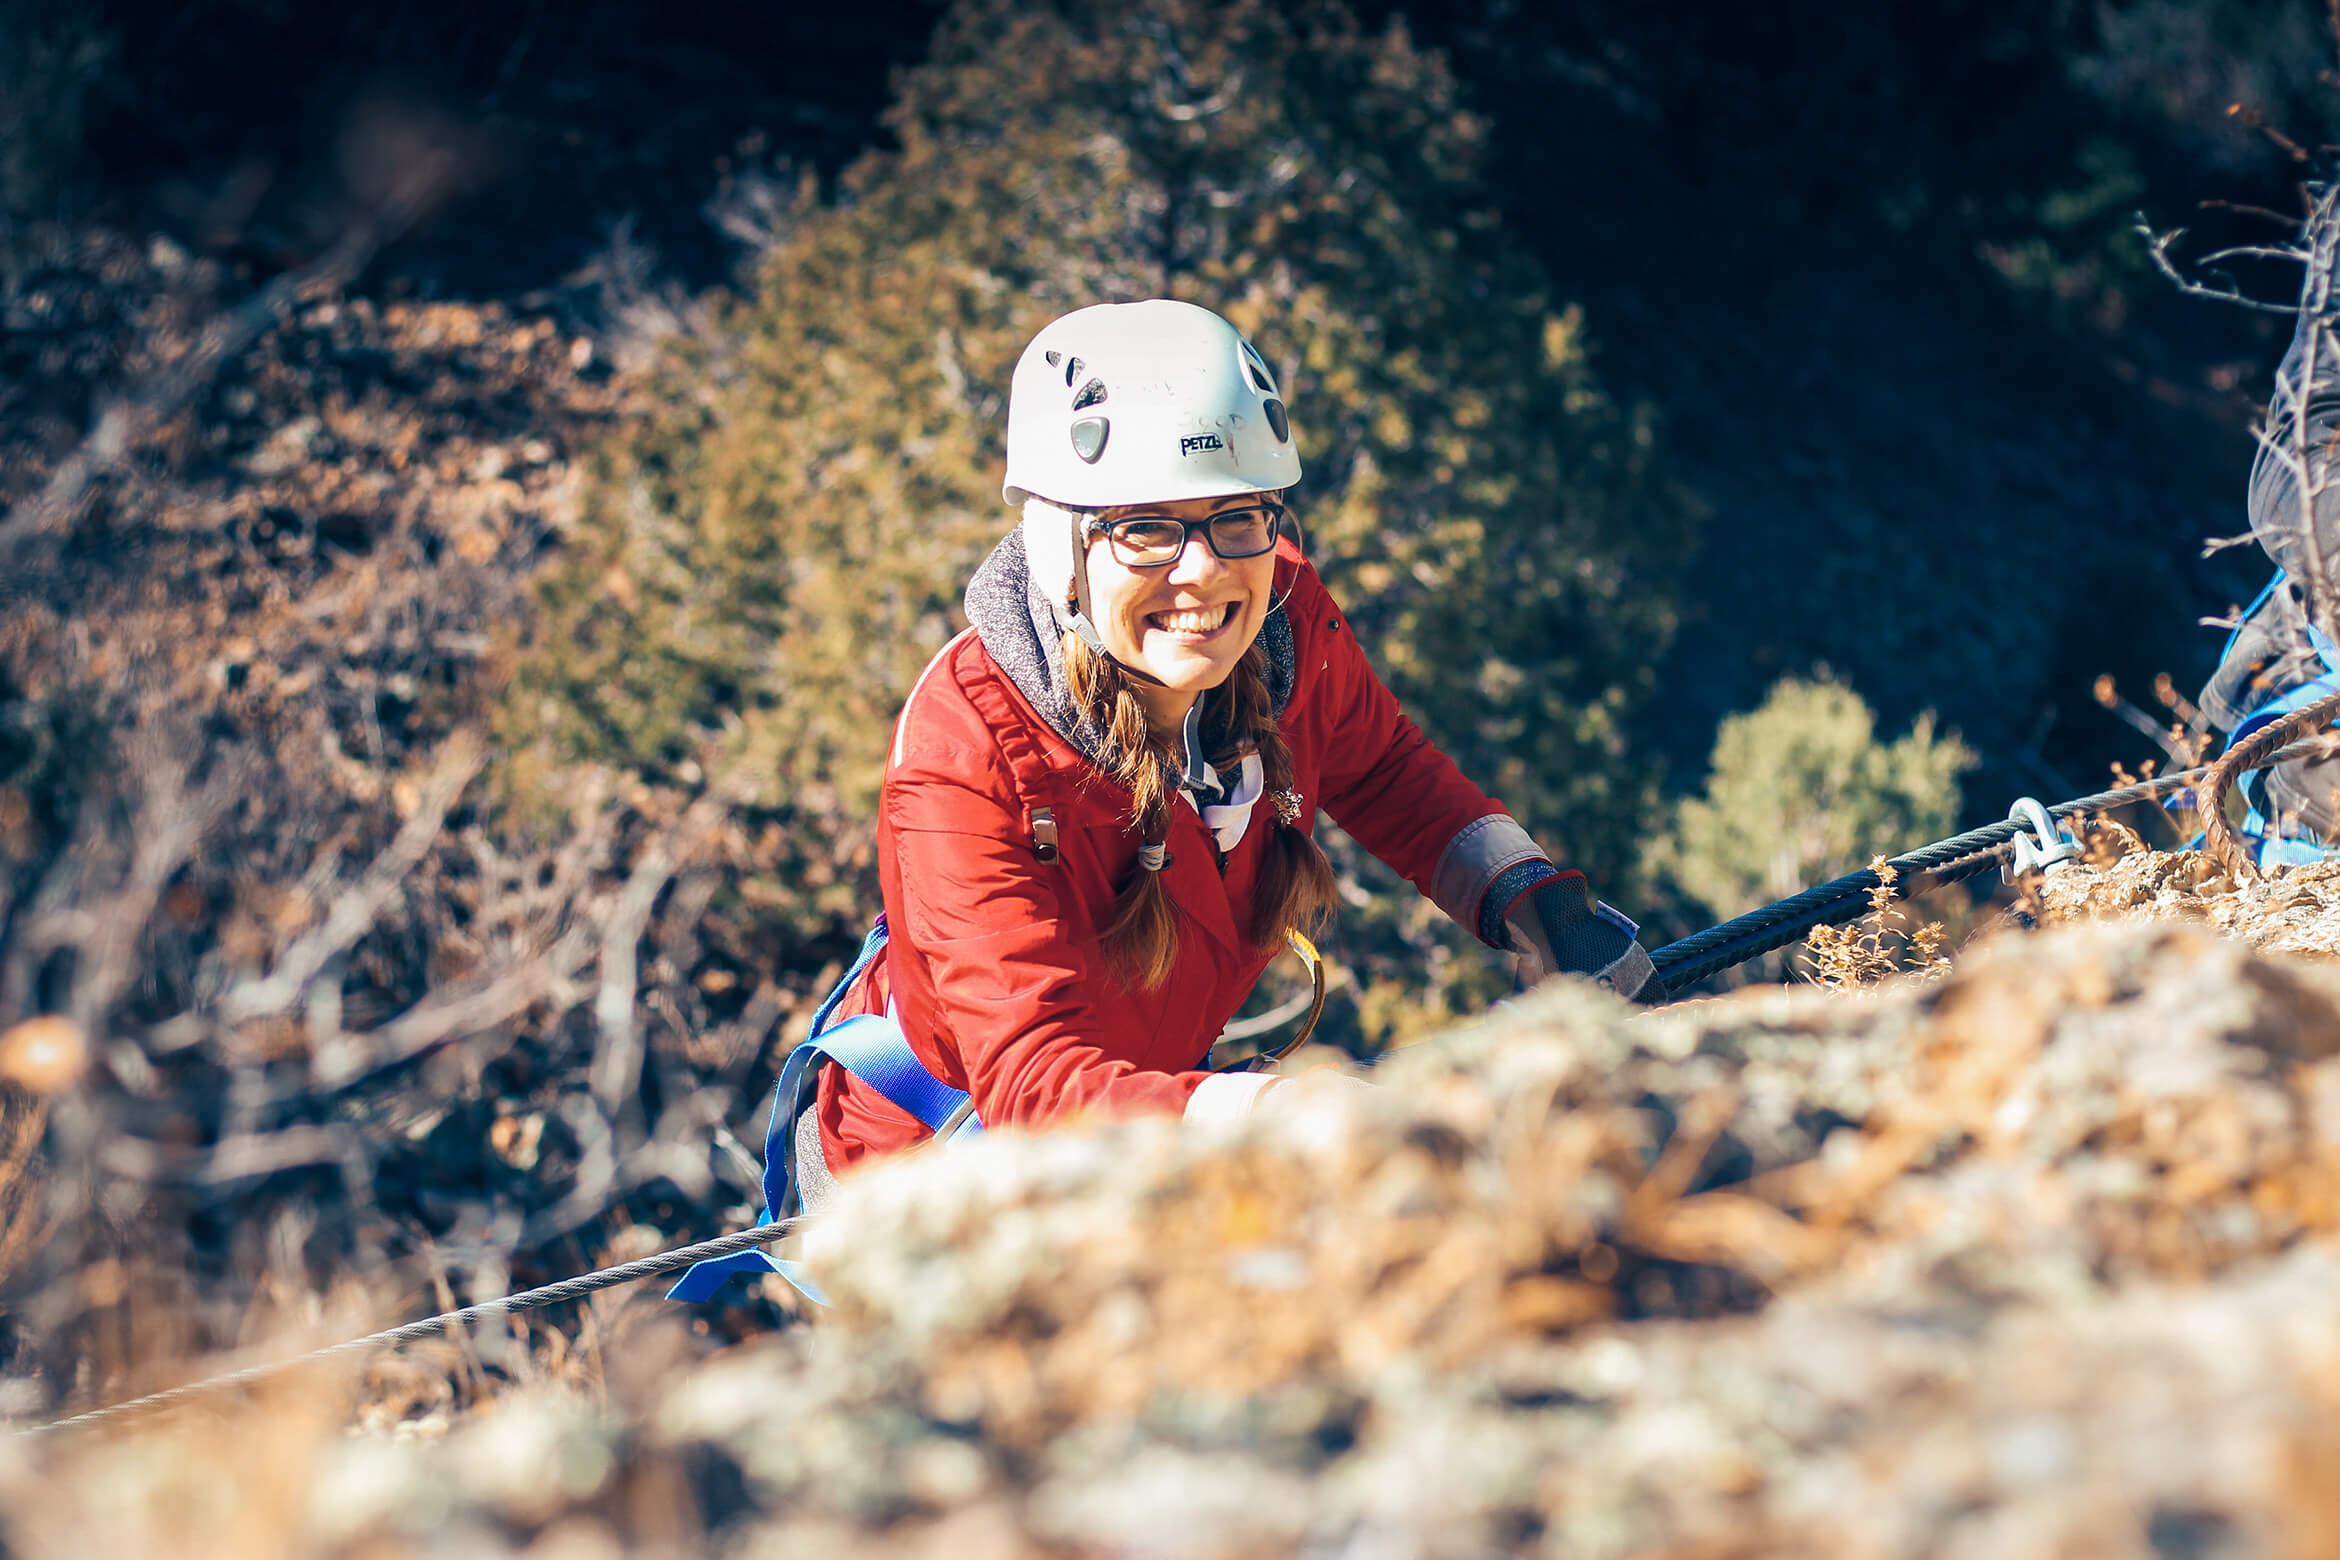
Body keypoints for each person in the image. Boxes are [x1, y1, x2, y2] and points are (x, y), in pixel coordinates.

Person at [671, 299, 1665, 1302]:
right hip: (940, 1183)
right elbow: (1033, 1082)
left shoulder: (1285, 622)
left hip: (1145, 1112)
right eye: (1145, 530)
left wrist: (1525, 896)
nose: (1206, 571)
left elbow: (1382, 769)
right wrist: (1284, 1117)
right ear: (1064, 546)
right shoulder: (966, 751)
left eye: (1238, 516)